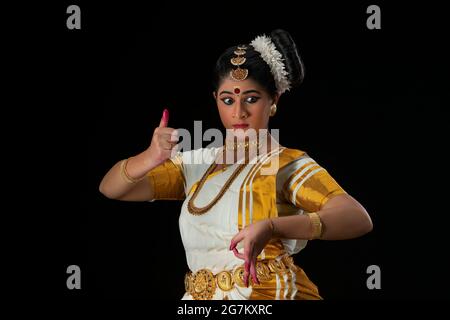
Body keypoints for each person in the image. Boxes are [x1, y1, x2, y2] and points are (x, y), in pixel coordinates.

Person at [99, 29, 373, 300]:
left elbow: (357, 218)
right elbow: (112, 188)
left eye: (251, 99)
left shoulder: (283, 164)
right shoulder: (197, 163)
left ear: (273, 100)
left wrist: (273, 227)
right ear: (215, 100)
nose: (238, 112)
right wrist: (150, 157)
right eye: (228, 100)